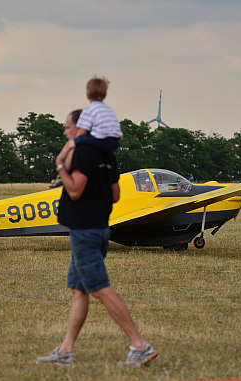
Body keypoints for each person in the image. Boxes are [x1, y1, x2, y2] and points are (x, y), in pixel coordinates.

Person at [37, 110, 157, 367]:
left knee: (99, 288)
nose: (65, 131)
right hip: (100, 229)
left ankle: (140, 346)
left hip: (84, 231)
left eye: (67, 126)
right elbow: (115, 195)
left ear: (80, 127)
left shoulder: (81, 152)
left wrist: (60, 164)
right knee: (79, 290)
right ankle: (65, 350)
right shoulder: (107, 155)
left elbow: (75, 190)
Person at [50, 76, 123, 188]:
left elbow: (83, 130)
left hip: (99, 139)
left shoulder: (89, 110)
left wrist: (77, 141)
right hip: (113, 142)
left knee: (74, 144)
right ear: (105, 95)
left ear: (87, 95)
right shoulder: (109, 110)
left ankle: (62, 174)